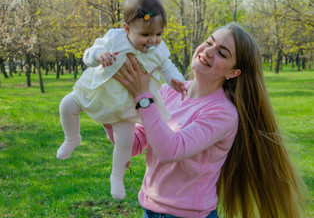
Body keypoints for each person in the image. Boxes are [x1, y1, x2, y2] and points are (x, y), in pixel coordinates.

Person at [105, 23, 306, 217]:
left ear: (233, 72)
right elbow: (135, 144)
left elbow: (170, 150)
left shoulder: (223, 113)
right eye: (209, 43)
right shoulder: (168, 91)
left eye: (222, 53)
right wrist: (106, 112)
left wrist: (143, 97)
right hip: (150, 210)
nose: (209, 51)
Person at [56, 0, 186, 200]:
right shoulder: (114, 38)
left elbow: (168, 68)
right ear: (127, 29)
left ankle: (117, 176)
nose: (153, 40)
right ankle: (72, 138)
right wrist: (99, 55)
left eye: (159, 34)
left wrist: (176, 80)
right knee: (66, 105)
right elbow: (88, 53)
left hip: (127, 103)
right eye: (145, 35)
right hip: (100, 89)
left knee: (124, 141)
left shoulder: (159, 49)